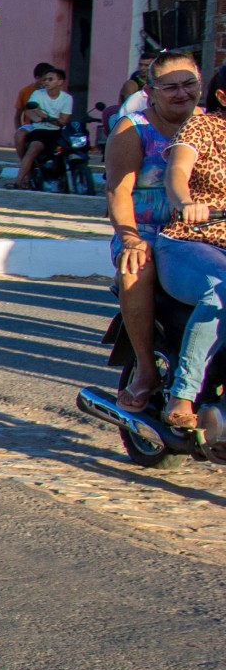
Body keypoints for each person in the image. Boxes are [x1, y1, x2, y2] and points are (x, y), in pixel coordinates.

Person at [107, 48, 200, 411]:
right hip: (144, 229)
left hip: (198, 231)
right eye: (170, 87)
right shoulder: (134, 128)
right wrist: (129, 238)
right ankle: (146, 370)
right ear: (150, 92)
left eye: (189, 83)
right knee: (137, 268)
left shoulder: (210, 125)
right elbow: (118, 191)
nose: (182, 93)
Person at [154, 62, 226, 432]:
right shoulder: (202, 127)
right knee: (222, 290)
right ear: (223, 96)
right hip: (189, 241)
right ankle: (182, 394)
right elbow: (177, 171)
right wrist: (185, 202)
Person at [12, 63, 73, 189]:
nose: (46, 82)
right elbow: (31, 111)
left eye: (50, 79)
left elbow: (63, 121)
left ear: (60, 82)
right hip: (41, 129)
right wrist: (40, 116)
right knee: (33, 148)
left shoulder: (67, 98)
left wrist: (42, 115)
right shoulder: (37, 94)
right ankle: (20, 181)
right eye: (45, 79)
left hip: (58, 131)